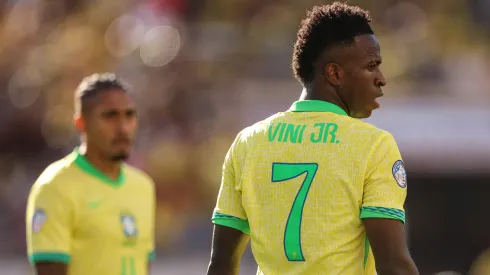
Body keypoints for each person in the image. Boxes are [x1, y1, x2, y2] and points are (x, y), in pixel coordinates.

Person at [206, 2, 419, 275]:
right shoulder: (374, 146)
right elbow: (394, 266)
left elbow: (221, 265)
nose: (381, 79)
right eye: (372, 66)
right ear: (334, 74)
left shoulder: (248, 142)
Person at [26, 73, 156, 275]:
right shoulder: (54, 187)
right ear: (81, 123)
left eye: (129, 115)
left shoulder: (143, 186)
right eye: (110, 116)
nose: (123, 128)